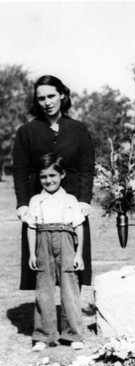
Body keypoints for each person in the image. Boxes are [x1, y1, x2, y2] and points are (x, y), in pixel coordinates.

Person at [13, 74, 95, 290]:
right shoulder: (27, 131)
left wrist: (85, 199)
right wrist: (22, 203)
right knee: (42, 263)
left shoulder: (78, 129)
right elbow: (20, 172)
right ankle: (46, 318)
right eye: (41, 98)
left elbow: (87, 168)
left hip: (72, 199)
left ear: (62, 95)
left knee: (73, 263)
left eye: (51, 96)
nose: (47, 102)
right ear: (36, 101)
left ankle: (71, 316)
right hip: (38, 199)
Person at [27, 153, 85, 351]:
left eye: (53, 175)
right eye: (43, 177)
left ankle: (73, 334)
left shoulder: (70, 199)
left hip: (66, 240)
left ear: (62, 175)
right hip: (43, 242)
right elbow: (31, 228)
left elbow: (79, 227)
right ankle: (44, 335)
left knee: (69, 287)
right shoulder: (36, 200)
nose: (48, 180)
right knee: (44, 289)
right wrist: (32, 254)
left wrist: (78, 254)